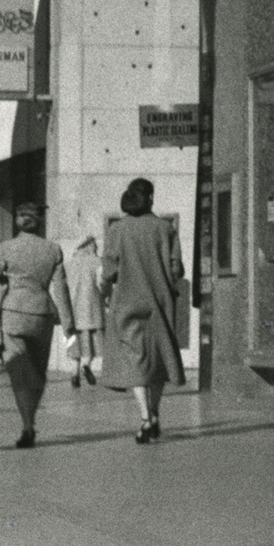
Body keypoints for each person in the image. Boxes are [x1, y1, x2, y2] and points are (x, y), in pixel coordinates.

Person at [0, 202, 75, 449]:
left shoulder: (5, 248)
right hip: (42, 315)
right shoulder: (53, 249)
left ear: (18, 222)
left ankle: (27, 425)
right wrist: (68, 325)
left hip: (11, 314)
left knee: (19, 371)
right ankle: (30, 420)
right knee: (38, 372)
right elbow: (61, 289)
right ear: (40, 221)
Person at [101, 178, 185, 442]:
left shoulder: (117, 229)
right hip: (160, 301)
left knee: (136, 358)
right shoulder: (165, 229)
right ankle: (156, 414)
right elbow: (177, 269)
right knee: (158, 359)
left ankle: (145, 417)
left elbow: (110, 270)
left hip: (127, 301)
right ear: (150, 198)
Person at [66, 233, 104, 388]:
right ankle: (86, 365)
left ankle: (74, 373)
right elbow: (102, 284)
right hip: (92, 308)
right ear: (90, 246)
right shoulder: (97, 262)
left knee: (75, 342)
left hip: (73, 309)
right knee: (92, 341)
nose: (96, 248)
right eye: (95, 245)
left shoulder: (70, 263)